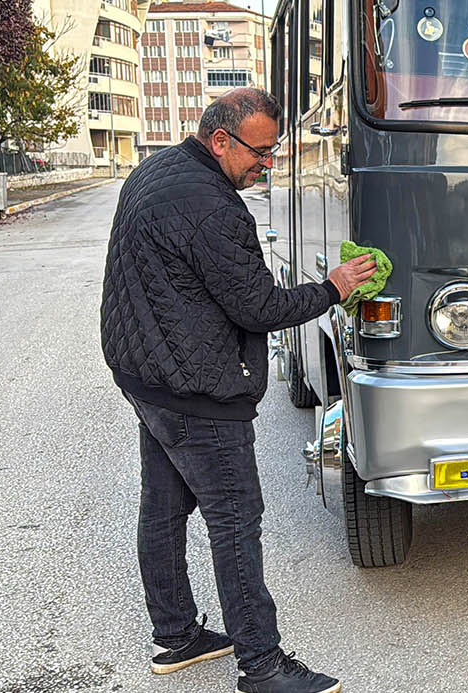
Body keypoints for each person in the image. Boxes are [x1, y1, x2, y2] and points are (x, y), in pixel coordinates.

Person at [100, 87, 375, 693]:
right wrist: (333, 287)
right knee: (234, 521)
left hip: (146, 376)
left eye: (275, 150)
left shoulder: (155, 170)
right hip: (197, 388)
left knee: (165, 510)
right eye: (262, 150)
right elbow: (258, 307)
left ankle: (177, 637)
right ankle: (263, 666)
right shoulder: (214, 208)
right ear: (220, 140)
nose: (269, 163)